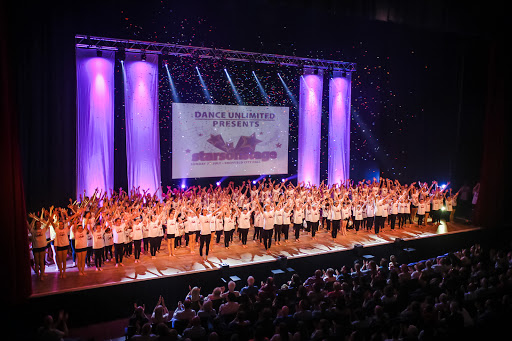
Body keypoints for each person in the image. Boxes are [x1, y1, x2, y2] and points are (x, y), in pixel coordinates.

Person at [28, 209, 52, 281]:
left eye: (39, 224)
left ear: (40, 225)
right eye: (37, 224)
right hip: (35, 247)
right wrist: (32, 219)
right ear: (35, 225)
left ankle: (42, 274)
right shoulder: (33, 231)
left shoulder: (43, 230)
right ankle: (38, 274)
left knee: (41, 261)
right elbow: (29, 226)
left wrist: (50, 215)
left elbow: (48, 223)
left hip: (42, 247)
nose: (38, 225)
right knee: (37, 261)